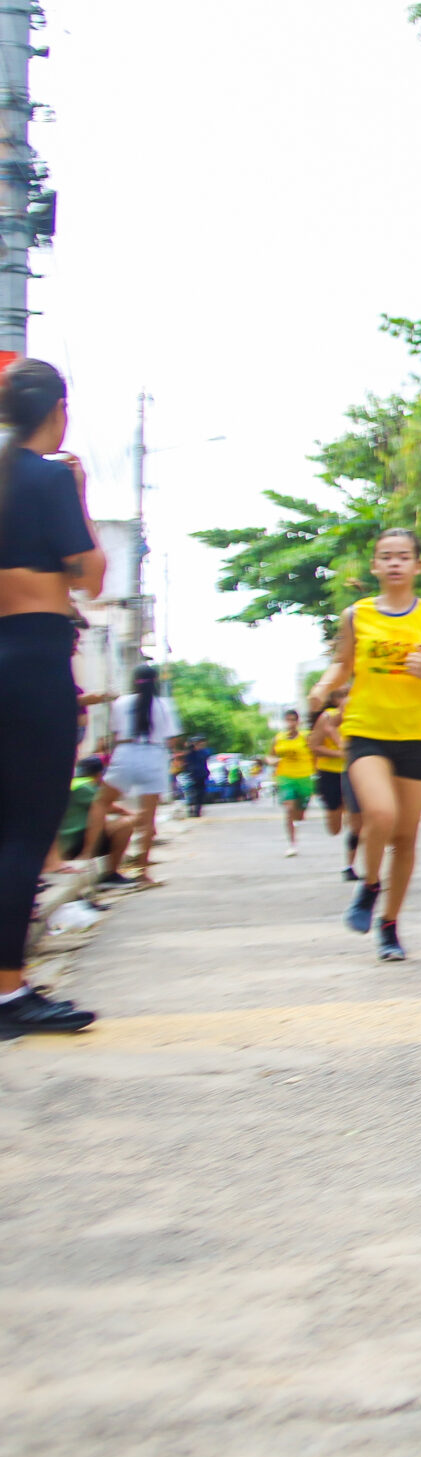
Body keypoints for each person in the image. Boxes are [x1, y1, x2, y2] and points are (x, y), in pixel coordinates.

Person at [0, 359, 104, 1036]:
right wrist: (80, 493)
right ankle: (10, 993)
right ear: (58, 411)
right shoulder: (47, 477)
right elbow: (90, 574)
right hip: (34, 660)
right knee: (24, 832)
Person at [314, 529, 421, 961]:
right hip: (365, 731)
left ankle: (390, 925)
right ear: (375, 566)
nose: (395, 563)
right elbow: (342, 665)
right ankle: (370, 884)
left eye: (403, 556)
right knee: (380, 813)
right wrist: (321, 689)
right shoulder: (356, 615)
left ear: (418, 565)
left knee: (406, 837)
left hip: (414, 735)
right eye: (386, 556)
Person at [104, 662, 175, 882]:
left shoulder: (122, 702)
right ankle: (142, 871)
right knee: (148, 820)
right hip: (154, 756)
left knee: (100, 804)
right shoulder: (163, 705)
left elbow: (115, 734)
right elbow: (171, 739)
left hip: (126, 754)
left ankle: (106, 865)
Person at [310, 695, 356, 880]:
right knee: (334, 828)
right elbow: (314, 747)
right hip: (330, 773)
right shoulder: (327, 718)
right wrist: (339, 754)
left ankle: (349, 866)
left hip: (354, 772)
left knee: (356, 821)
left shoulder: (361, 718)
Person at [270, 708, 316, 857]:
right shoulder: (278, 738)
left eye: (293, 720)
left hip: (304, 777)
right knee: (289, 809)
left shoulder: (306, 737)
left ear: (298, 722)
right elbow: (270, 756)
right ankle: (292, 844)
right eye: (288, 720)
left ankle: (298, 820)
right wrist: (272, 761)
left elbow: (315, 754)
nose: (290, 723)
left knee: (300, 813)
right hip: (285, 777)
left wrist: (316, 770)